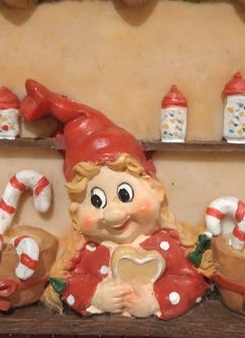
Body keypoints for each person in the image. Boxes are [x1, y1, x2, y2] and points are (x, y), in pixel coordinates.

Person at [20, 80, 210, 319]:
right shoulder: (90, 251)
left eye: (124, 195)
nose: (114, 214)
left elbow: (192, 281)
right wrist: (96, 295)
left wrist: (156, 300)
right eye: (97, 201)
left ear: (154, 189)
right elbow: (72, 282)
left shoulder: (165, 246)